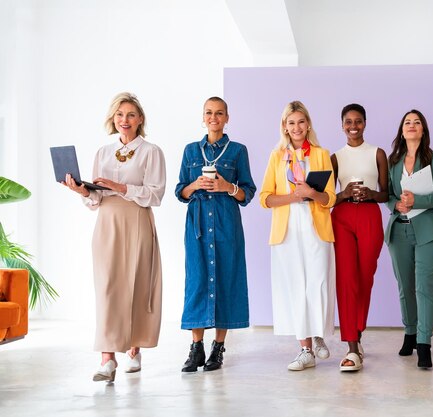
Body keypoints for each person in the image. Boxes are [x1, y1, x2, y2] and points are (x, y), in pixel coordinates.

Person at [63, 92, 166, 382]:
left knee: (136, 283)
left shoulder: (151, 151)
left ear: (140, 119)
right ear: (113, 118)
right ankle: (107, 358)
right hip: (107, 221)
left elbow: (155, 194)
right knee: (107, 286)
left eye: (131, 114)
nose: (125, 120)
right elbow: (95, 197)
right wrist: (84, 191)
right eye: (120, 114)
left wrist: (121, 188)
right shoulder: (103, 152)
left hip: (137, 219)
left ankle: (133, 348)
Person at [175, 97, 256, 373]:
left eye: (219, 113)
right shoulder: (190, 151)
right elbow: (180, 192)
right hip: (197, 225)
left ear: (227, 118)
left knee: (226, 279)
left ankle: (218, 348)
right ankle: (196, 347)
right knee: (197, 280)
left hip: (226, 224)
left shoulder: (237, 151)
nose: (214, 117)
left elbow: (247, 193)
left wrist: (227, 187)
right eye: (209, 113)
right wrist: (194, 184)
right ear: (203, 117)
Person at [260, 100, 336, 371]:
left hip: (316, 229)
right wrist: (294, 196)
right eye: (290, 122)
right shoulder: (276, 156)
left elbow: (330, 199)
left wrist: (311, 194)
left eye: (301, 122)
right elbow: (265, 199)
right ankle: (304, 349)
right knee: (295, 286)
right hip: (287, 230)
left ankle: (318, 335)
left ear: (308, 124)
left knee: (318, 282)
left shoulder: (321, 153)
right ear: (284, 126)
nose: (296, 127)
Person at [385, 109, 433, 369]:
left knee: (424, 286)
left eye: (417, 122)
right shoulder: (392, 161)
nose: (412, 126)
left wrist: (416, 201)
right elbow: (387, 195)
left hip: (428, 231)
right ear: (402, 130)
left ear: (423, 130)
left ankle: (424, 344)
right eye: (407, 122)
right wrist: (395, 205)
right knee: (405, 286)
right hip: (399, 231)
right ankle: (410, 333)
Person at [330, 103, 388, 372]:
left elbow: (386, 193)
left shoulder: (378, 153)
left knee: (365, 278)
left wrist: (370, 194)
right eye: (348, 121)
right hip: (341, 218)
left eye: (358, 121)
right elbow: (329, 196)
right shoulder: (335, 157)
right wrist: (344, 194)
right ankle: (352, 347)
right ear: (342, 125)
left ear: (365, 123)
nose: (353, 126)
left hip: (369, 216)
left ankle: (358, 332)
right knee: (346, 280)